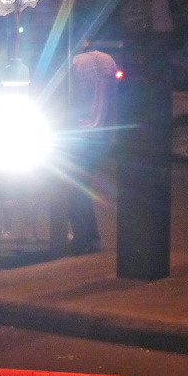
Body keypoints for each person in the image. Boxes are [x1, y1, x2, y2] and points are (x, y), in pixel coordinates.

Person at [63, 41, 112, 255]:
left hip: (77, 134)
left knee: (73, 188)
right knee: (82, 186)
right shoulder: (109, 61)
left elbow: (68, 101)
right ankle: (91, 237)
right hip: (101, 133)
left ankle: (84, 239)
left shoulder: (74, 63)